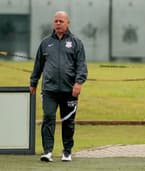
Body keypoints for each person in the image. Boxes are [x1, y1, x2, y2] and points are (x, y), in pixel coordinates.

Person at [29, 11, 88, 162]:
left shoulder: (76, 43)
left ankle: (67, 151)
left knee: (68, 121)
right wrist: (33, 82)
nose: (58, 23)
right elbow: (38, 65)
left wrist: (78, 82)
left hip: (70, 91)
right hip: (49, 90)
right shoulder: (45, 43)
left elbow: (81, 65)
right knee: (48, 118)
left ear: (68, 23)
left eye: (61, 21)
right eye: (56, 21)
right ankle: (47, 151)